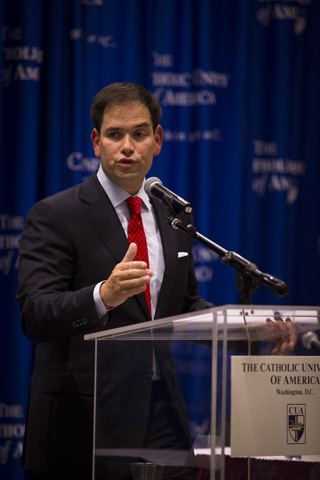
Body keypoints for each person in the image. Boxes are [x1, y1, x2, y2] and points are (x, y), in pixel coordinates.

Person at [16, 82, 297, 480]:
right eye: (114, 134)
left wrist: (249, 333)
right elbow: (35, 315)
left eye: (139, 133)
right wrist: (103, 296)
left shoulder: (173, 215)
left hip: (162, 410)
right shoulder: (56, 215)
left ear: (158, 139)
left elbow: (183, 307)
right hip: (86, 417)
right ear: (96, 142)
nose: (127, 146)